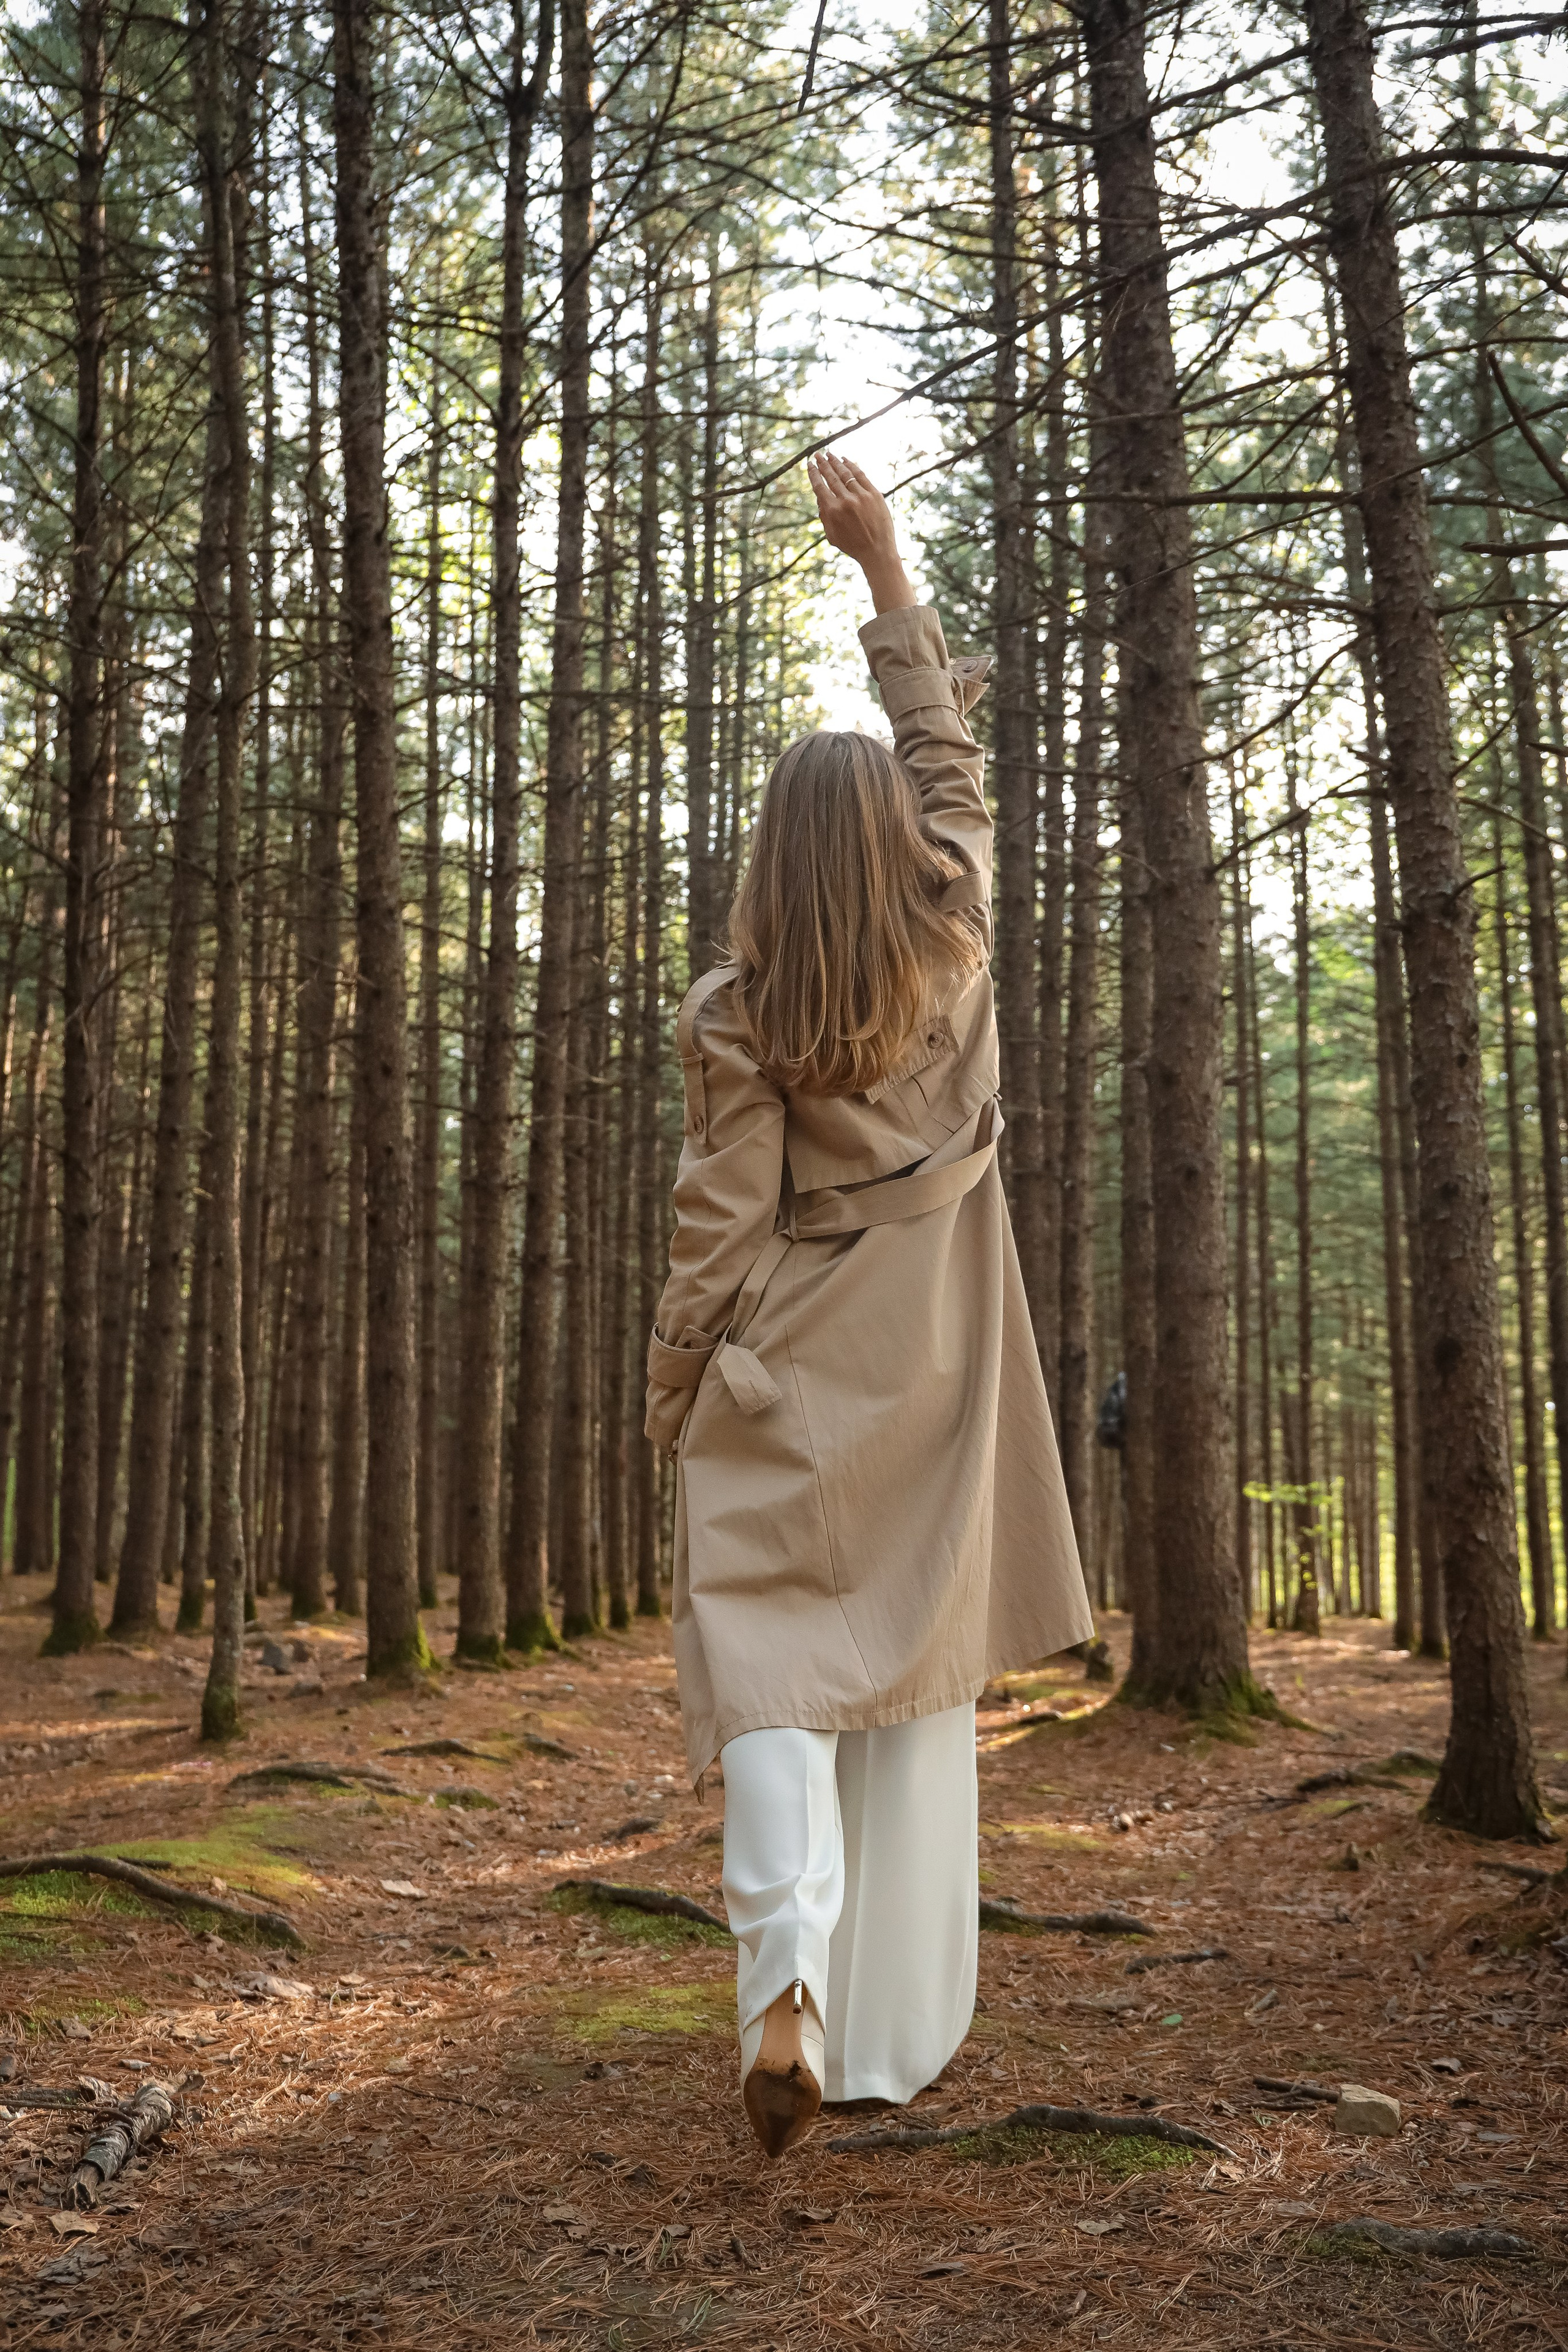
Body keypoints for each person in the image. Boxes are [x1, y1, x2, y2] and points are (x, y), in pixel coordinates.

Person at [644, 451, 1092, 2159]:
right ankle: (892, 2033)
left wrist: (676, 1385)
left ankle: (785, 1985)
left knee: (768, 1674)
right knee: (909, 1694)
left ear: (772, 857)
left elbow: (719, 1226)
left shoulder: (737, 1011)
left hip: (785, 1368)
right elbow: (952, 763)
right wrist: (885, 562)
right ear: (899, 846)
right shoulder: (959, 928)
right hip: (938, 1362)